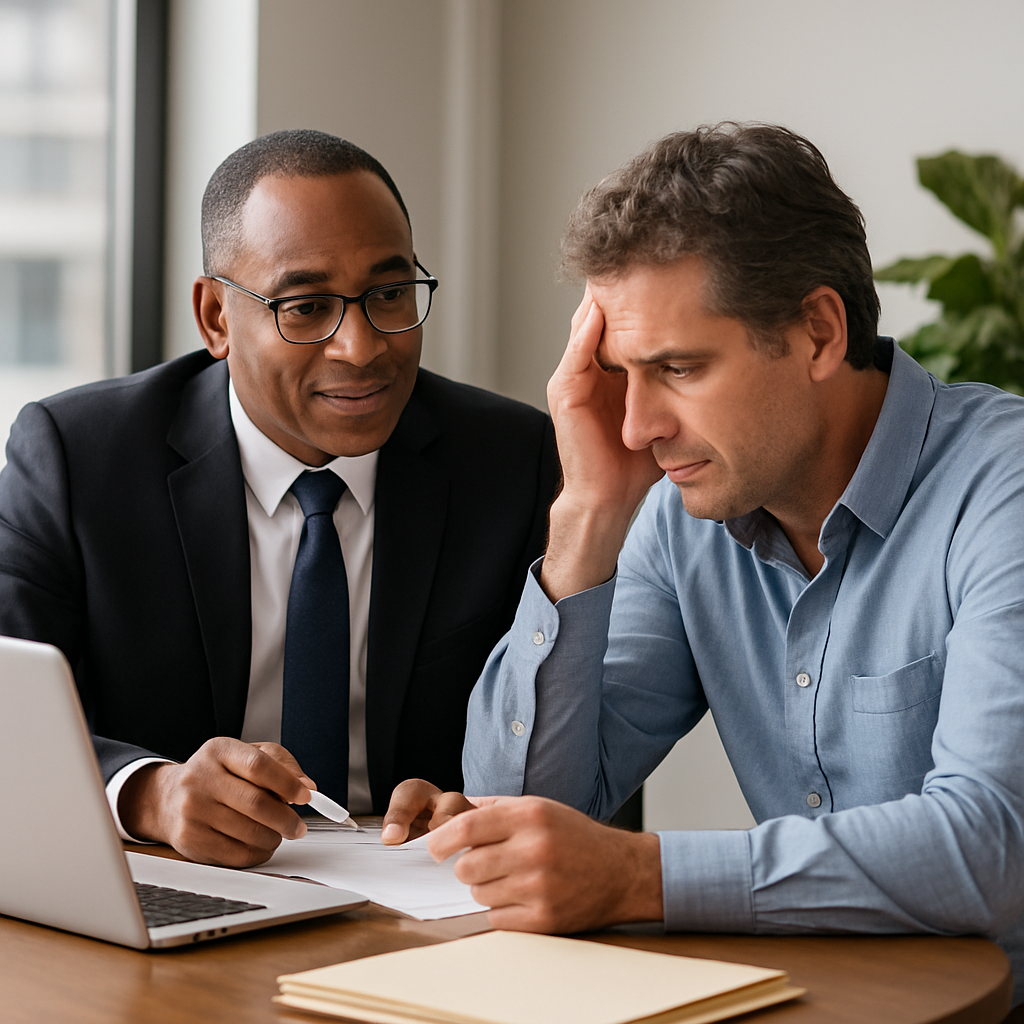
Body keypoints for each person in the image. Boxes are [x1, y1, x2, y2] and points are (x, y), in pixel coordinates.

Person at [382, 123, 1024, 1011]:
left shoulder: (1004, 491)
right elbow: (524, 813)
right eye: (621, 372)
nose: (638, 425)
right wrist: (587, 516)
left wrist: (640, 875)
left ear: (818, 331)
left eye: (678, 368)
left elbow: (991, 850)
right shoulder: (685, 518)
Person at [0, 129, 558, 868]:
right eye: (305, 307)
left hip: (418, 901)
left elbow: (572, 747)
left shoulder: (514, 463)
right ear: (216, 320)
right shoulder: (78, 457)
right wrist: (150, 794)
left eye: (389, 294)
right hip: (172, 880)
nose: (361, 347)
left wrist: (483, 799)